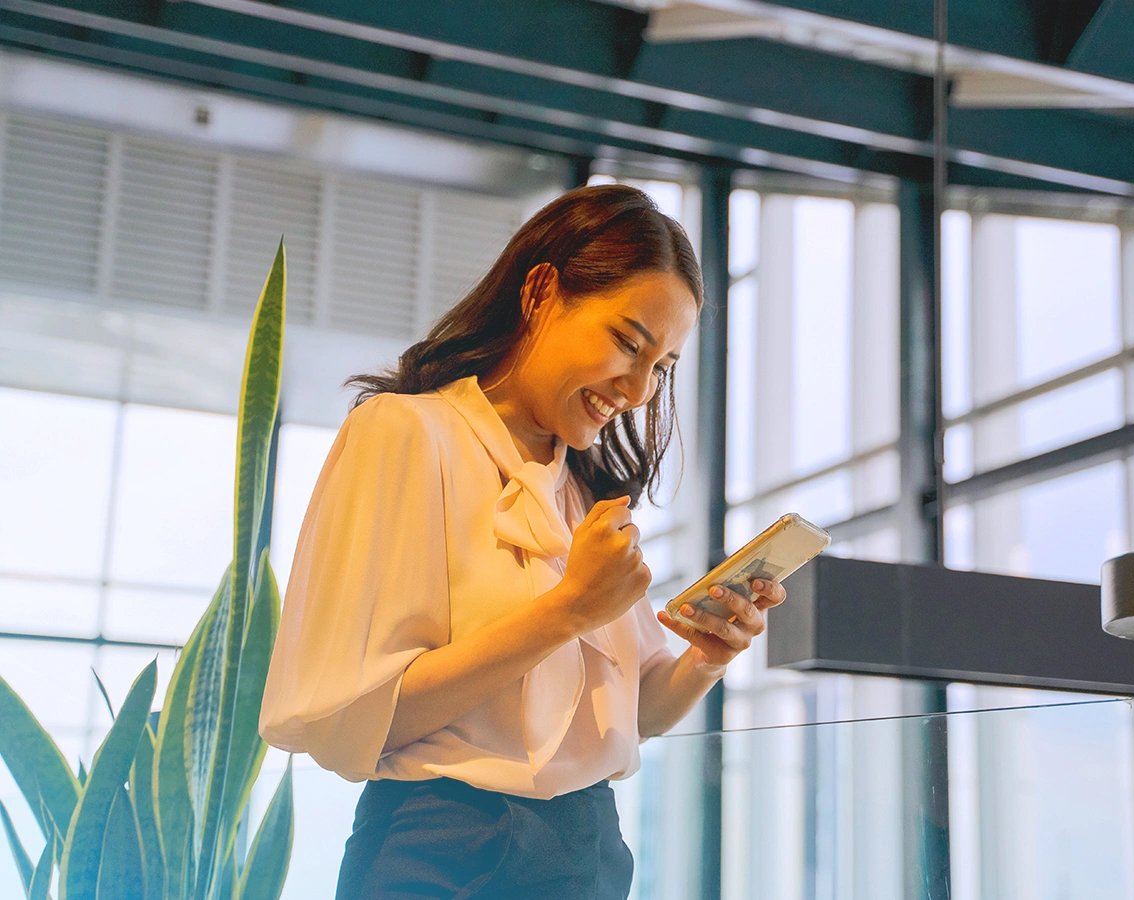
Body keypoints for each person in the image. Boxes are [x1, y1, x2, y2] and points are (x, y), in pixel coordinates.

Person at [259, 183, 787, 899]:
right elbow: (359, 720)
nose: (636, 391)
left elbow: (634, 717)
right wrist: (567, 609)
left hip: (591, 851)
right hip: (447, 854)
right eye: (627, 343)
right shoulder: (407, 435)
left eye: (660, 368)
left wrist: (703, 657)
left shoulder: (582, 493)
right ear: (540, 292)